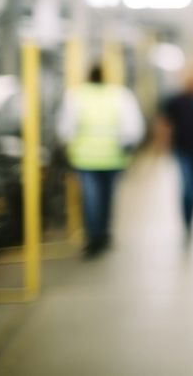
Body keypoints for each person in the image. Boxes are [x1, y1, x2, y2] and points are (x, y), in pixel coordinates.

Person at [56, 64, 144, 258]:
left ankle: (93, 239)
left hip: (85, 159)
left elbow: (65, 129)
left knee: (90, 200)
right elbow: (133, 127)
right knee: (107, 198)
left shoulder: (76, 96)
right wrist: (126, 145)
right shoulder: (120, 95)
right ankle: (104, 234)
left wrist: (68, 147)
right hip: (113, 158)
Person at [161, 70, 193, 235]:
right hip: (181, 149)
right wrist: (163, 144)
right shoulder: (176, 101)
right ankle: (185, 217)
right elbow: (165, 123)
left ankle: (190, 218)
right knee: (187, 185)